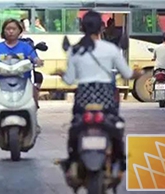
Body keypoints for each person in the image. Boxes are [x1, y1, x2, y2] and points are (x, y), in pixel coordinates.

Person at [53, 11, 142, 178]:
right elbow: (127, 73)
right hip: (106, 95)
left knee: (76, 127)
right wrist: (137, 74)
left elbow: (70, 79)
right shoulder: (111, 49)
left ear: (81, 27)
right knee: (115, 126)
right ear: (102, 27)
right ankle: (120, 159)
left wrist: (61, 74)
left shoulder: (75, 50)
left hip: (84, 95)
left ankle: (71, 159)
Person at [0, 18, 44, 116]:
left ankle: (33, 117)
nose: (11, 31)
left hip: (23, 81)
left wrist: (38, 61)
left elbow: (34, 58)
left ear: (19, 31)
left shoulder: (26, 47)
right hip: (1, 83)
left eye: (14, 29)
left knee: (34, 91)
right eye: (8, 29)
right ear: (3, 31)